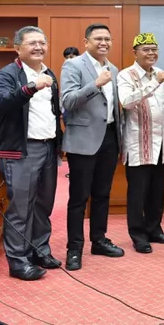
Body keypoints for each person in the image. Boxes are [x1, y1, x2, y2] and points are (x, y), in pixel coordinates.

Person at [0, 26, 63, 280]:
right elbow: (1, 103)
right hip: (22, 150)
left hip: (47, 147)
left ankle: (39, 250)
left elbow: (53, 114)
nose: (38, 47)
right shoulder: (7, 74)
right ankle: (18, 261)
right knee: (21, 208)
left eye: (42, 42)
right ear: (17, 48)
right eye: (32, 43)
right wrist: (30, 87)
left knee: (43, 205)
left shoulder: (49, 73)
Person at [61, 23, 124, 271]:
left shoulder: (114, 69)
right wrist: (95, 84)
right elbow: (67, 101)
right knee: (79, 198)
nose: (103, 43)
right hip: (83, 141)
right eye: (98, 38)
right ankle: (74, 249)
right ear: (86, 41)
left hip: (109, 137)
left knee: (103, 194)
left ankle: (99, 240)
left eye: (107, 38)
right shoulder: (73, 65)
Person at [117, 33, 164, 253]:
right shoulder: (126, 75)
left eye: (154, 49)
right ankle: (138, 235)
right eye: (146, 49)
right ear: (135, 52)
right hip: (138, 144)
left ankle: (154, 229)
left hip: (161, 144)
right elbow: (126, 102)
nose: (151, 53)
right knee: (138, 194)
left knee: (157, 191)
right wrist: (153, 83)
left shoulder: (159, 74)